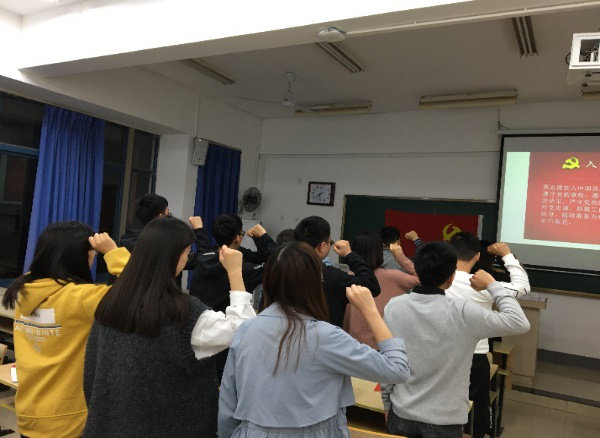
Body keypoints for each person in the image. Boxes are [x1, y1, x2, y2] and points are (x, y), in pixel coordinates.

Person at [83, 216, 255, 437]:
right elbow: (243, 329)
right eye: (187, 253)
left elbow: (92, 372)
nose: (187, 258)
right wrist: (234, 272)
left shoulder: (110, 302)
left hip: (110, 426)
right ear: (174, 256)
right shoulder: (184, 313)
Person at [218, 242, 410, 438]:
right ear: (316, 282)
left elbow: (228, 401)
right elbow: (397, 369)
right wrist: (370, 311)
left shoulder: (246, 329)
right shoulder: (325, 337)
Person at [382, 242, 530, 438]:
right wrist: (492, 285)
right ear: (451, 278)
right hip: (444, 420)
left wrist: (387, 403)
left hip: (401, 412)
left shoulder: (394, 306)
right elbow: (519, 322)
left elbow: (390, 360)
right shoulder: (463, 311)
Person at [1, 221, 129, 438]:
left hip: (29, 410)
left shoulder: (24, 288)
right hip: (67, 417)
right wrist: (113, 252)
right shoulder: (82, 297)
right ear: (81, 256)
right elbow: (141, 292)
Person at [445, 232, 530, 438]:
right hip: (473, 357)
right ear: (476, 256)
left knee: (444, 401)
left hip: (441, 353)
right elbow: (523, 287)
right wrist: (507, 255)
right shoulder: (481, 285)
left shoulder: (437, 280)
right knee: (476, 406)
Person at [294, 216, 381, 328]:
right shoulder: (332, 277)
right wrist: (349, 254)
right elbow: (372, 286)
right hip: (326, 336)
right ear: (322, 246)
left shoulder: (282, 269)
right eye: (329, 242)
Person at [344, 232, 419, 348]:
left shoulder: (346, 278)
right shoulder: (394, 276)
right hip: (386, 346)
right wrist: (400, 256)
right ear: (380, 252)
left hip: (351, 346)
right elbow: (423, 278)